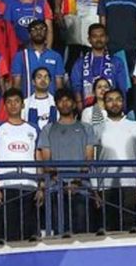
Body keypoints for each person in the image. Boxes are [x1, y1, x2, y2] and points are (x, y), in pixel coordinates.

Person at [37, 87, 96, 234]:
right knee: (59, 232)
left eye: (68, 100)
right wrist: (62, 182)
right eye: (61, 101)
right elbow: (46, 161)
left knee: (82, 232)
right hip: (56, 188)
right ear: (56, 105)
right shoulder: (48, 129)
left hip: (82, 188)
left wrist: (76, 181)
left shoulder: (86, 128)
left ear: (74, 104)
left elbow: (89, 158)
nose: (64, 104)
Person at [0, 88, 40, 242]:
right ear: (4, 106)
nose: (13, 105)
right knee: (7, 236)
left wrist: (41, 186)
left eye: (16, 101)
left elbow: (39, 159)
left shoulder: (34, 128)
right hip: (5, 187)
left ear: (22, 105)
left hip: (29, 186)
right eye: (9, 102)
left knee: (29, 236)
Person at [97, 88, 136, 232]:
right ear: (104, 104)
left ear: (123, 102)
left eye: (118, 99)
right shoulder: (97, 128)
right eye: (110, 100)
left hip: (131, 183)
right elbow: (93, 159)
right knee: (109, 227)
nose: (114, 103)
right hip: (106, 184)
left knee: (130, 227)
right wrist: (95, 188)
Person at [70, 23, 129, 111]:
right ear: (89, 40)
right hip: (88, 108)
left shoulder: (116, 62)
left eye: (102, 36)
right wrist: (80, 106)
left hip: (113, 109)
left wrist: (122, 109)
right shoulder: (80, 63)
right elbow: (76, 87)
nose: (98, 39)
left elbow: (122, 88)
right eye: (95, 36)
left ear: (107, 38)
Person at [10, 18, 64, 97]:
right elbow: (16, 84)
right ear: (29, 34)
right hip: (28, 101)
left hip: (50, 101)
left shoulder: (56, 56)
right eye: (34, 29)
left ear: (46, 33)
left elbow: (59, 84)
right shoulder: (21, 56)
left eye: (42, 29)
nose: (38, 32)